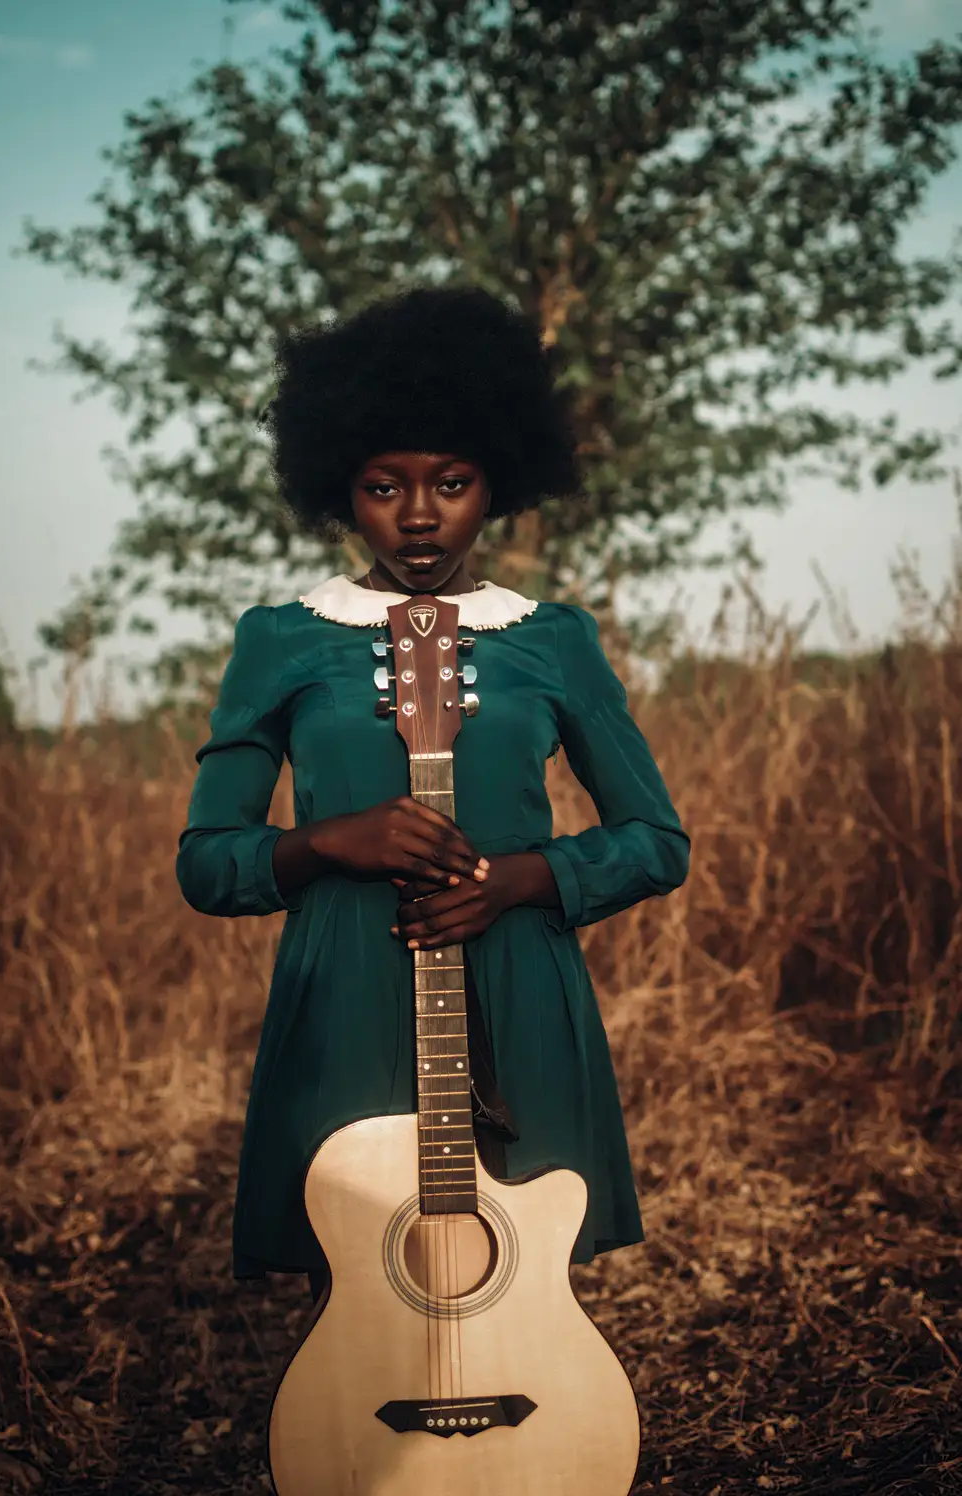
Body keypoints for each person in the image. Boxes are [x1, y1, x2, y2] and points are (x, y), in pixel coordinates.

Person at [176, 286, 690, 1306]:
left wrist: (523, 877)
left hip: (519, 991)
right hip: (347, 999)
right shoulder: (281, 637)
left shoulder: (551, 637)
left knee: (518, 1280)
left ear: (496, 480)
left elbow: (654, 839)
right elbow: (206, 860)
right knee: (363, 1280)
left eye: (451, 482)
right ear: (339, 489)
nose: (419, 514)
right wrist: (323, 843)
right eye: (382, 485)